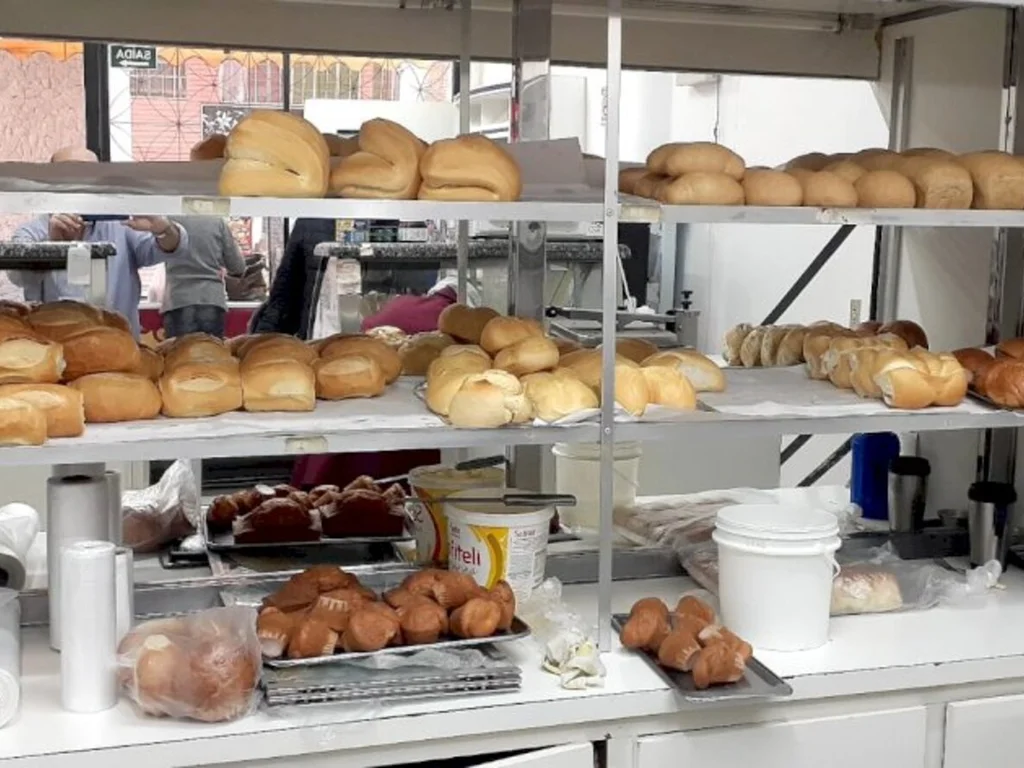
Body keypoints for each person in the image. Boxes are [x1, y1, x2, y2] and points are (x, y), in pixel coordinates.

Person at [8, 147, 189, 338]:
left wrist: (164, 229)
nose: (79, 181)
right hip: (56, 350)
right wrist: (53, 248)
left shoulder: (122, 225)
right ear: (52, 182)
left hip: (116, 347)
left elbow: (173, 249)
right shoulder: (33, 231)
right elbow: (17, 276)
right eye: (68, 173)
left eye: (89, 174)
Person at [161, 216, 246, 338]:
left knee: (178, 354)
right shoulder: (217, 221)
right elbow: (238, 266)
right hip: (212, 299)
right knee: (211, 352)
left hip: (177, 300)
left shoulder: (168, 221)